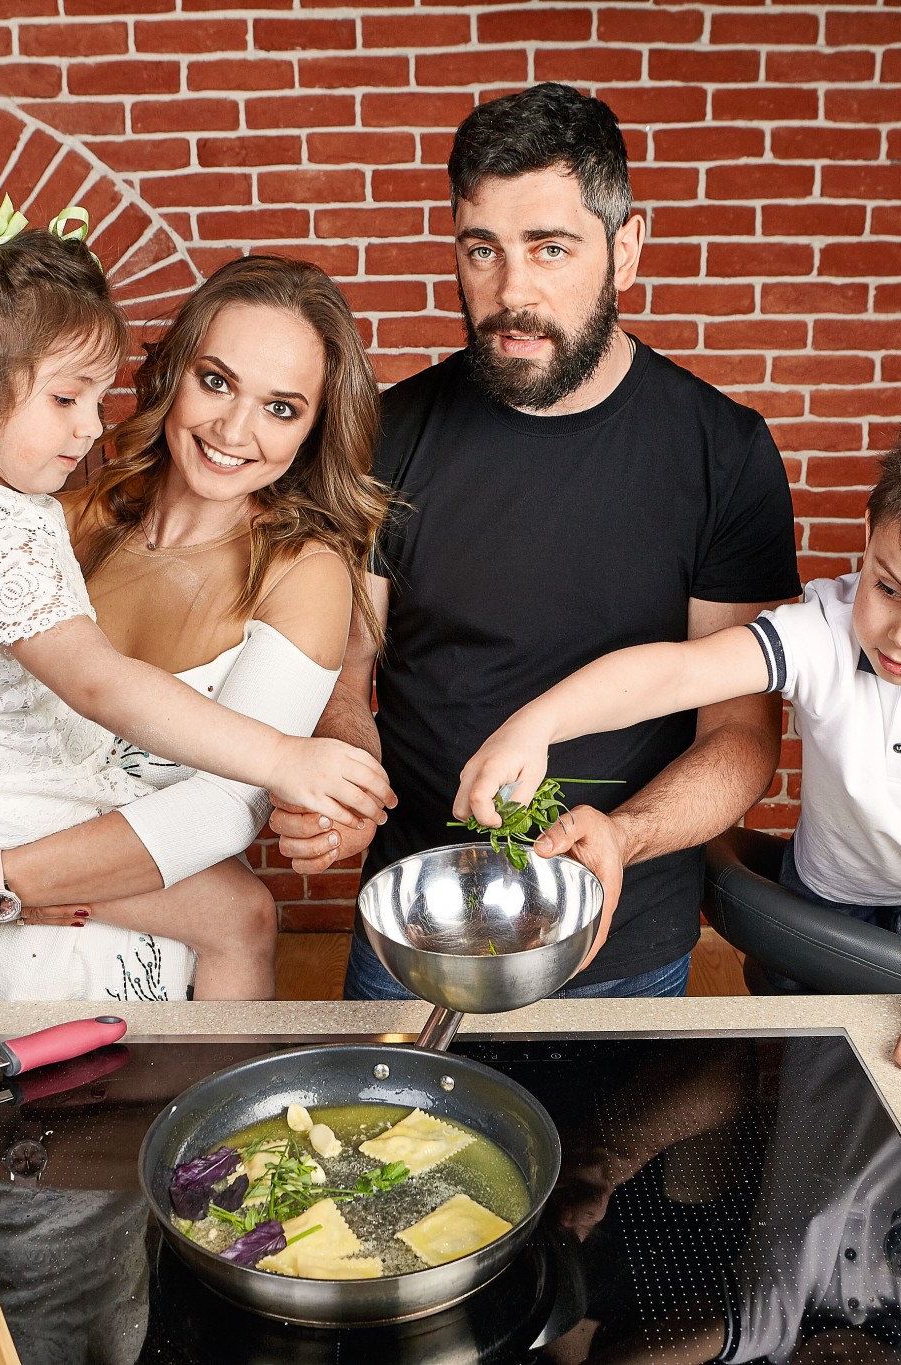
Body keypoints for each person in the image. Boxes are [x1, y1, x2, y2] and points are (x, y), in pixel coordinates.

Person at [271, 82, 801, 998]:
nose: (512, 292)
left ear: (626, 247)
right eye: (483, 249)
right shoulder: (387, 435)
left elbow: (740, 737)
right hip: (419, 918)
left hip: (624, 933)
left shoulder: (724, 452)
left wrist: (624, 836)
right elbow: (346, 676)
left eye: (551, 248)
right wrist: (347, 778)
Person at [458, 413, 901, 1102]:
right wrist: (537, 723)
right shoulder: (823, 628)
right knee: (794, 1066)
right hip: (823, 888)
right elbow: (676, 673)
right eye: (888, 588)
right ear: (870, 530)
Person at [0, 214, 391, 1003]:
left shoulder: (300, 571)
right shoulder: (49, 521)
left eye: (282, 408)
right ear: (172, 370)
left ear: (314, 428)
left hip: (119, 951)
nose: (234, 429)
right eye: (216, 381)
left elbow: (219, 812)